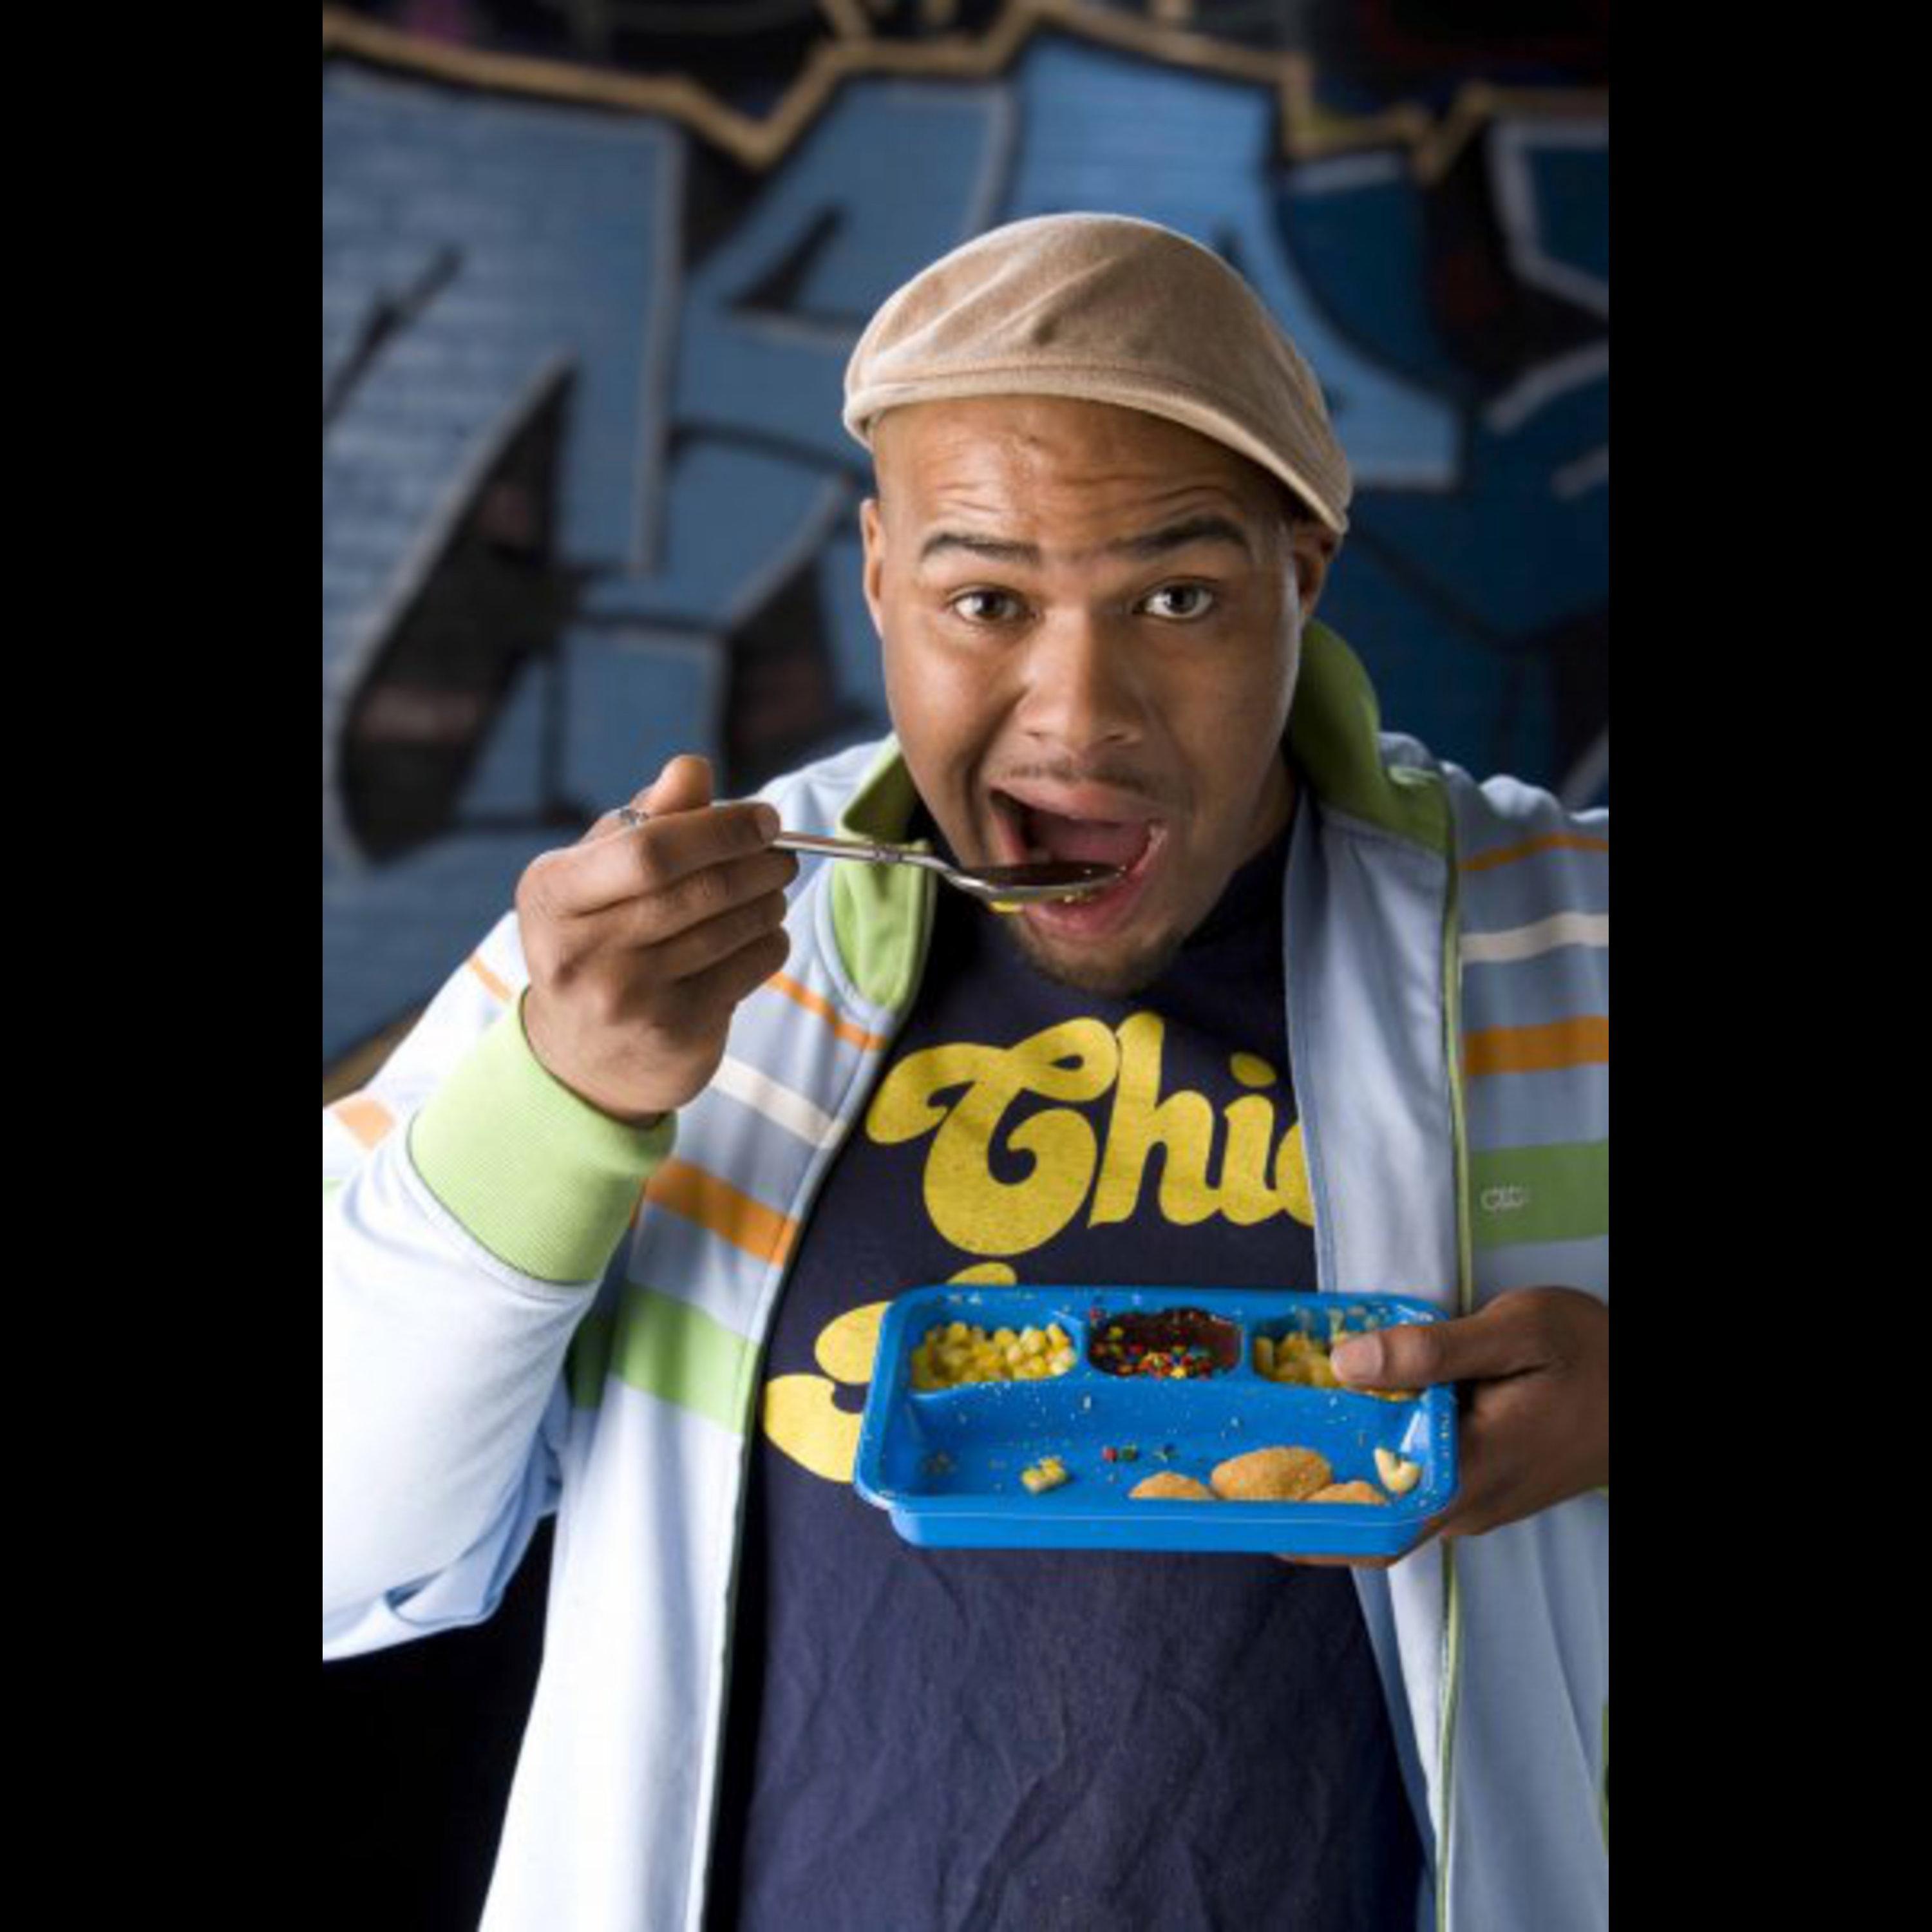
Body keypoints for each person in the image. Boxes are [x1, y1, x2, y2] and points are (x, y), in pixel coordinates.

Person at [324, 213, 1608, 1932]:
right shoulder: (646, 958)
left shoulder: (1575, 946)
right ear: (879, 576)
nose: (1078, 714)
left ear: (1304, 574)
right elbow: (344, 1547)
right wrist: (563, 1099)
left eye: (1179, 597)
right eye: (986, 600)